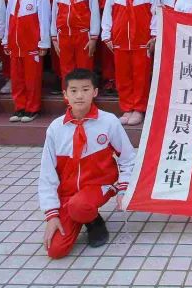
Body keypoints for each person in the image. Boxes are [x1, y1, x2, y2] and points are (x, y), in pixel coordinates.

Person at [39, 69, 135, 260]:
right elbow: (47, 174)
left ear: (95, 92)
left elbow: (128, 158)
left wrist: (124, 188)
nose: (80, 95)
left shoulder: (108, 122)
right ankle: (82, 215)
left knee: (80, 205)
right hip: (68, 194)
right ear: (65, 94)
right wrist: (51, 215)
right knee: (56, 251)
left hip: (99, 185)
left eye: (85, 89)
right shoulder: (56, 128)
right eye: (73, 91)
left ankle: (94, 222)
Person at [101, 0, 161, 126]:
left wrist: (154, 35)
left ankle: (139, 108)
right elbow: (108, 12)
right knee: (123, 75)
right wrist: (107, 35)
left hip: (141, 40)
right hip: (119, 39)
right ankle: (127, 107)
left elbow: (156, 13)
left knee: (140, 75)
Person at [4, 0, 51, 123]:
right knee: (17, 79)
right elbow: (8, 19)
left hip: (32, 45)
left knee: (32, 79)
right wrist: (6, 40)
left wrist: (43, 42)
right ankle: (19, 107)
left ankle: (32, 108)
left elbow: (44, 20)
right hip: (15, 45)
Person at [50, 0, 100, 82]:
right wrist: (54, 37)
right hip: (63, 36)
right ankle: (69, 101)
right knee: (66, 70)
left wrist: (93, 37)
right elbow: (55, 13)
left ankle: (86, 100)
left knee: (84, 69)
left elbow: (94, 13)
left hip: (83, 35)